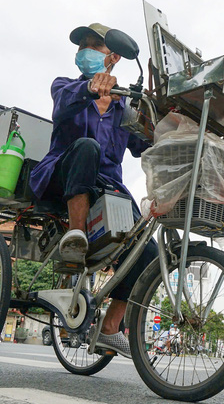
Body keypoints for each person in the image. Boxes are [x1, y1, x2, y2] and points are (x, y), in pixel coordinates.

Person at [29, 23, 158, 359]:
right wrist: (89, 87)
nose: (82, 52)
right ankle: (75, 236)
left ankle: (111, 327)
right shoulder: (66, 86)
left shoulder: (123, 107)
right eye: (81, 46)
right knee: (87, 147)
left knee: (149, 255)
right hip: (63, 176)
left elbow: (144, 145)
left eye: (92, 46)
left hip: (107, 189)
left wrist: (163, 122)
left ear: (113, 57)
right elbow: (64, 104)